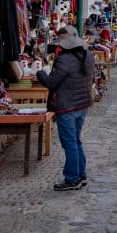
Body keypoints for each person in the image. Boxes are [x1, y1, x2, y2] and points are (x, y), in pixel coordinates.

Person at [37, 27, 96, 190]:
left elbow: (51, 83)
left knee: (69, 143)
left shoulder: (64, 59)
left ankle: (71, 178)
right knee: (76, 141)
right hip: (82, 105)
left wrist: (40, 73)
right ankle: (81, 174)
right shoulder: (87, 56)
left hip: (67, 107)